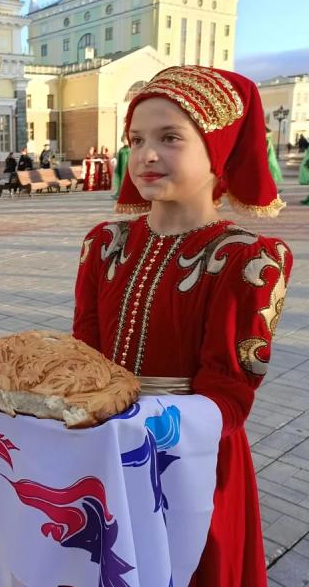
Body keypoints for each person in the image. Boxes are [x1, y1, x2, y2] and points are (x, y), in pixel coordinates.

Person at [74, 65, 291, 587]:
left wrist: (133, 426)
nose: (146, 154)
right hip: (100, 452)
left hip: (191, 466)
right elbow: (81, 358)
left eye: (170, 138)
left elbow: (230, 398)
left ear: (217, 149)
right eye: (137, 139)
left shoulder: (250, 259)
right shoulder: (104, 243)